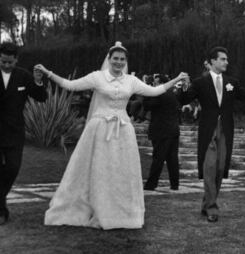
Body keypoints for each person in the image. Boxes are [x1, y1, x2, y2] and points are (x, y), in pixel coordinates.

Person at [34, 42, 188, 230]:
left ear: (126, 62)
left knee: (121, 170)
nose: (118, 62)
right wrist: (48, 73)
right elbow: (70, 85)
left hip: (123, 130)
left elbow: (155, 90)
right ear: (109, 59)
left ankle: (120, 210)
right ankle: (93, 205)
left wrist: (176, 79)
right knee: (99, 167)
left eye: (122, 59)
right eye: (115, 58)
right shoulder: (97, 77)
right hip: (99, 129)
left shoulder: (131, 81)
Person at [178, 46, 245, 222]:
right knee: (209, 166)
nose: (226, 62)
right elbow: (184, 99)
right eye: (223, 59)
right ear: (213, 62)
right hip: (208, 129)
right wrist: (183, 86)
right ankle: (212, 208)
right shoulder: (200, 82)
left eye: (226, 59)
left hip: (225, 129)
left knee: (219, 168)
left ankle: (206, 204)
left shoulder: (232, 81)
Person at [0, 42, 47, 225]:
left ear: (16, 60)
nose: (6, 65)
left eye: (9, 62)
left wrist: (37, 81)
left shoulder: (23, 76)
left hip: (14, 132)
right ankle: (1, 211)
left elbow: (41, 98)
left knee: (12, 168)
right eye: (3, 61)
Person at [143, 74, 181, 191]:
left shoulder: (159, 94)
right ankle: (174, 184)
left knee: (158, 158)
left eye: (155, 83)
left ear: (161, 84)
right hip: (173, 130)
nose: (154, 85)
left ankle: (151, 184)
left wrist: (146, 91)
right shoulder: (172, 93)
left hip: (162, 130)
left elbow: (147, 106)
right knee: (172, 159)